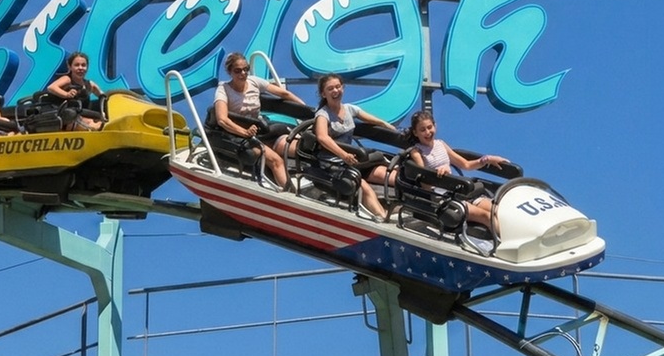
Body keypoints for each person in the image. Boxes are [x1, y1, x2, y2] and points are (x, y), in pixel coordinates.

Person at [213, 52, 305, 190]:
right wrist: (244, 132)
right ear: (230, 72)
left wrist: (308, 111)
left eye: (246, 69)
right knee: (276, 161)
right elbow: (222, 119)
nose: (243, 73)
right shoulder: (223, 89)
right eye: (238, 70)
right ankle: (291, 195)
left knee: (295, 148)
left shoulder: (253, 81)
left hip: (259, 130)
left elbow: (284, 93)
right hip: (238, 134)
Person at [406, 110, 508, 232]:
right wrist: (439, 176)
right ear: (415, 133)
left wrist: (486, 159)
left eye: (430, 127)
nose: (428, 132)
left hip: (459, 191)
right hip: (442, 198)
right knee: (486, 216)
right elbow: (424, 185)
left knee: (499, 211)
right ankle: (501, 246)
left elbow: (466, 164)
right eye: (422, 130)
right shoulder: (417, 152)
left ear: (435, 126)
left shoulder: (441, 144)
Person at [314, 73, 393, 222]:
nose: (335, 91)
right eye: (330, 88)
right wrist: (343, 154)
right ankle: (383, 219)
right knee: (364, 187)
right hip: (333, 162)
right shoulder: (323, 115)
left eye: (338, 87)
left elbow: (367, 117)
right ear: (323, 94)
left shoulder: (349, 109)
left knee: (386, 174)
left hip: (351, 159)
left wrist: (384, 124)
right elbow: (322, 137)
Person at [47, 52, 105, 130]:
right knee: (93, 124)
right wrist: (66, 94)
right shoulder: (67, 79)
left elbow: (103, 97)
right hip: (69, 119)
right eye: (76, 65)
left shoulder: (90, 85)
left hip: (85, 117)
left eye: (83, 65)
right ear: (70, 67)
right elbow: (51, 87)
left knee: (100, 118)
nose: (80, 68)